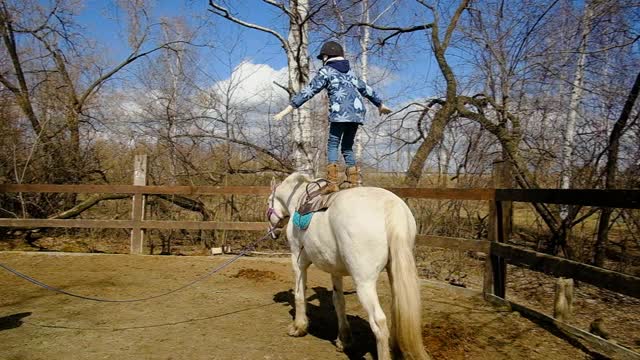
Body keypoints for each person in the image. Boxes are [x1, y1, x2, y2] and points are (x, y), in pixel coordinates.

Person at [273, 41, 392, 193]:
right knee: (347, 146)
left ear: (326, 56)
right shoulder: (351, 73)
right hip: (356, 113)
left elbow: (309, 90)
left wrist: (289, 108)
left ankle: (332, 181)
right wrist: (379, 104)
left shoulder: (326, 71)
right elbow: (365, 88)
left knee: (333, 144)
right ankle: (353, 180)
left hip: (340, 112)